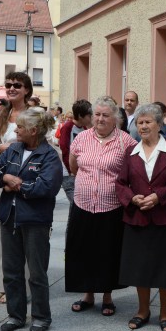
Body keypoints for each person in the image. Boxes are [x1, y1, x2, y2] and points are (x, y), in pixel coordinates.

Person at [0, 108, 62, 331]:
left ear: (34, 130)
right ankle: (16, 315)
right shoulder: (13, 150)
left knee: (37, 273)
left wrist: (16, 186)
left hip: (35, 221)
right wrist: (6, 178)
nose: (16, 129)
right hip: (10, 217)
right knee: (11, 271)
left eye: (20, 126)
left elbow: (46, 188)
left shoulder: (49, 155)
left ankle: (40, 317)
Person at [115, 103, 166, 331]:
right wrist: (132, 199)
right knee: (140, 267)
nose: (143, 126)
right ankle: (142, 310)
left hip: (164, 216)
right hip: (137, 217)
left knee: (165, 268)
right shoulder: (131, 152)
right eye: (139, 122)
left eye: (148, 122)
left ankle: (165, 312)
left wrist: (158, 197)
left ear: (159, 124)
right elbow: (120, 183)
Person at [66, 96, 137, 316]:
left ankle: (107, 296)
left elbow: (132, 174)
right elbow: (73, 166)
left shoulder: (126, 142)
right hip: (83, 203)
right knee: (83, 249)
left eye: (106, 115)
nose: (100, 119)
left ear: (115, 117)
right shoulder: (81, 138)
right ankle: (88, 294)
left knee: (108, 251)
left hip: (111, 206)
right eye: (97, 114)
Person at [0, 72, 33, 304]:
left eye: (17, 85)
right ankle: (0, 284)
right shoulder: (2, 116)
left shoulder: (34, 115)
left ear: (27, 89)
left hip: (23, 179)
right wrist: (1, 148)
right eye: (8, 85)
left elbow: (40, 146)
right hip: (2, 178)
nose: (12, 88)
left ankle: (20, 286)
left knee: (22, 232)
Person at [58, 100, 92, 206]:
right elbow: (64, 149)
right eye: (89, 115)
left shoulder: (85, 128)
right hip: (69, 172)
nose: (91, 117)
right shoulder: (68, 127)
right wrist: (70, 169)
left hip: (80, 171)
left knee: (77, 206)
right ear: (81, 116)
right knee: (75, 204)